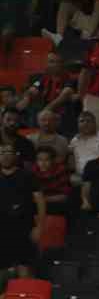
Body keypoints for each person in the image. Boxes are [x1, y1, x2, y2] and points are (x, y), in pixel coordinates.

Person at [0, 143, 42, 277]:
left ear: (15, 155)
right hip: (2, 229)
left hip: (24, 228)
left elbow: (40, 201)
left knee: (24, 267)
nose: (6, 156)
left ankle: (24, 296)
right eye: (2, 153)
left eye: (9, 152)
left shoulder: (27, 175)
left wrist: (39, 227)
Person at [19, 53, 77, 125]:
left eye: (58, 62)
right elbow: (33, 88)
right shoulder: (43, 78)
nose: (55, 65)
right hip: (45, 111)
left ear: (62, 64)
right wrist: (26, 98)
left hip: (62, 113)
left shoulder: (70, 78)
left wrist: (47, 109)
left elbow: (65, 95)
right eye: (51, 62)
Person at [30, 146, 71, 218]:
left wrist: (43, 199)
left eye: (46, 160)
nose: (43, 163)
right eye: (40, 160)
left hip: (55, 203)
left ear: (52, 160)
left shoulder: (61, 170)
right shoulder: (32, 171)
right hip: (36, 203)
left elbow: (64, 196)